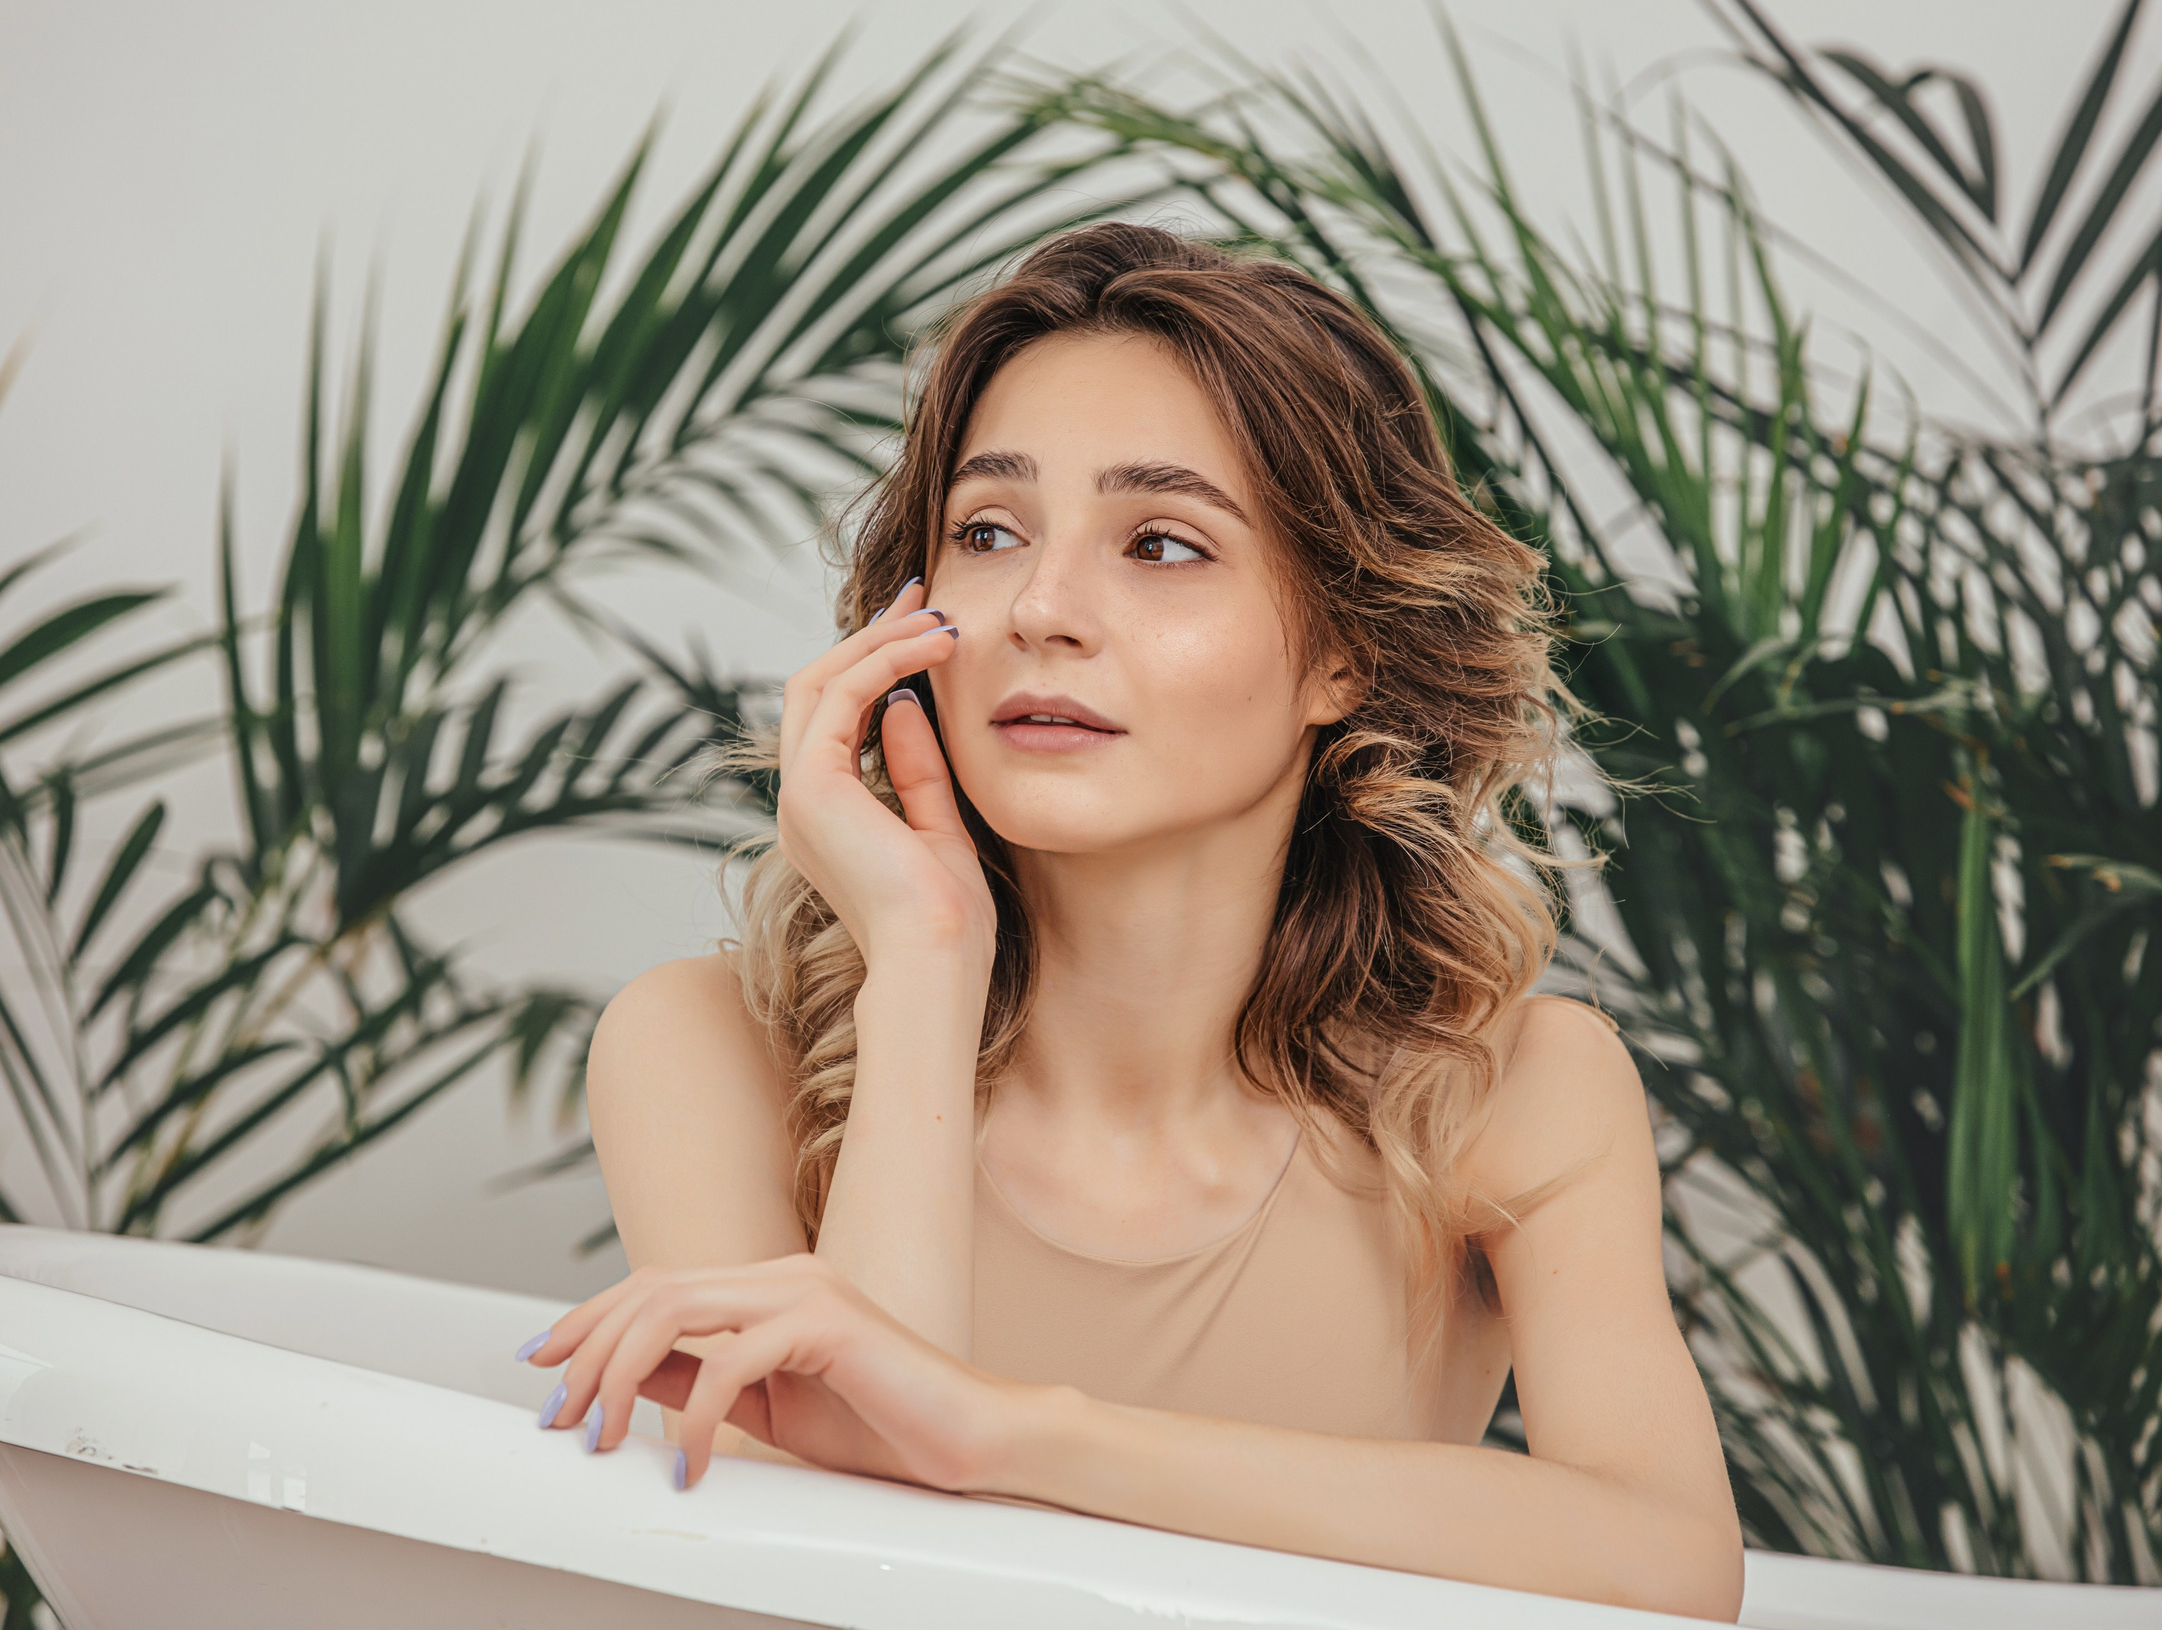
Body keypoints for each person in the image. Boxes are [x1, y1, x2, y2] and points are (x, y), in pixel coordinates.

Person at [520, 222, 1742, 1620]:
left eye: (1161, 543)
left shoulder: (1510, 1094)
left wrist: (1010, 1431)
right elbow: (839, 1593)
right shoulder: (707, 1050)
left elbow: (1672, 1564)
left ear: (1343, 651)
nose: (1042, 608)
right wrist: (924, 961)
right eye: (987, 533)